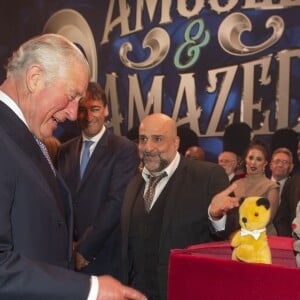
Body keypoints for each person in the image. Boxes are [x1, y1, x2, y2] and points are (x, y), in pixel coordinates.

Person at [0, 33, 146, 300]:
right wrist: (90, 289)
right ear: (34, 79)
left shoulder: (25, 137)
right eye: (71, 96)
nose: (71, 113)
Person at [120, 113, 229, 300]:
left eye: (158, 139)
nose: (148, 147)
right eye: (143, 139)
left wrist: (216, 216)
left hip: (185, 292)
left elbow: (228, 235)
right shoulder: (132, 183)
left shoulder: (206, 176)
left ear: (176, 143)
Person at [57, 81, 139, 278]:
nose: (89, 116)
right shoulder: (64, 150)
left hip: (104, 256)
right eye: (83, 110)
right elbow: (59, 199)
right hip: (66, 256)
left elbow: (116, 203)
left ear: (106, 110)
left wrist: (84, 249)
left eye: (95, 109)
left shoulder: (124, 149)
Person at [210, 142, 280, 237]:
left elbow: (267, 219)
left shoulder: (271, 187)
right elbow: (228, 218)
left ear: (265, 163)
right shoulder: (236, 185)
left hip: (263, 240)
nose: (253, 162)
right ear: (245, 160)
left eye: (258, 159)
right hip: (238, 238)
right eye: (251, 158)